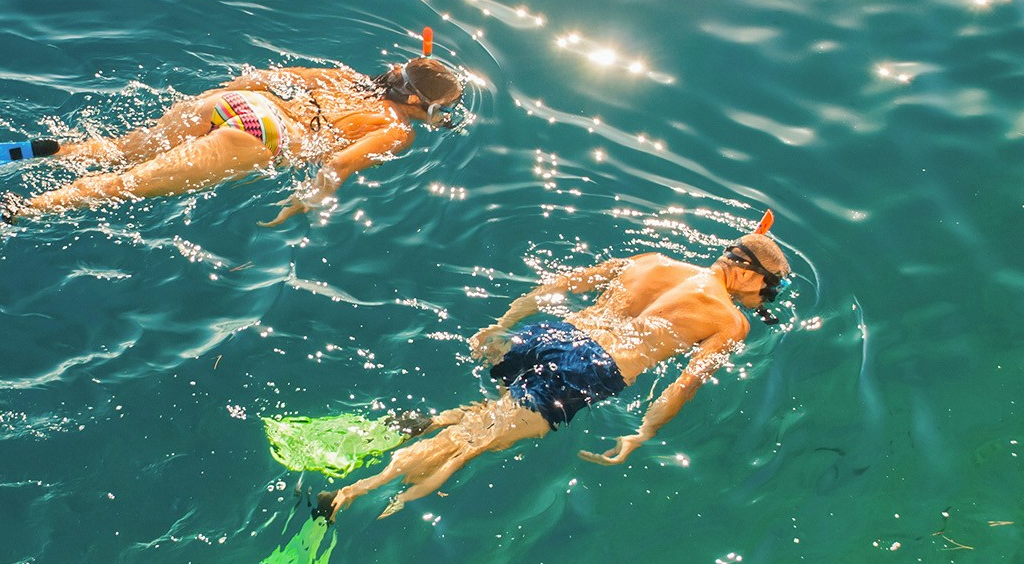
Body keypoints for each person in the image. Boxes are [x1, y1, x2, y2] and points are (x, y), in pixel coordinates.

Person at [314, 216, 791, 520]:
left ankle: (416, 424)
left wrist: (502, 324)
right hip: (589, 367)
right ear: (748, 272)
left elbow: (560, 283)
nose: (758, 303)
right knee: (470, 446)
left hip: (546, 334)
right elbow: (686, 384)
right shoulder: (729, 321)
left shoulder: (653, 261)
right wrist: (642, 435)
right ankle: (351, 495)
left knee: (490, 415)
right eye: (764, 293)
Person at [3, 52, 464, 225]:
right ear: (425, 105)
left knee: (122, 148)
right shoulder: (396, 130)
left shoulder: (342, 75)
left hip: (235, 102)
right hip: (266, 135)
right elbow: (336, 165)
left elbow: (261, 75)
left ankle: (35, 155)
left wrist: (221, 98)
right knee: (126, 185)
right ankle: (23, 209)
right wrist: (303, 204)